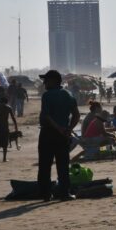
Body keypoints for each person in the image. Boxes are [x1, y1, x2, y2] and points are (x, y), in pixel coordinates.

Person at [37, 70, 80, 202]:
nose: (44, 83)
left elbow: (47, 116)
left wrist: (60, 129)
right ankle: (64, 193)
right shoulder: (68, 94)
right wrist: (68, 129)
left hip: (48, 133)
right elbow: (76, 115)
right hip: (63, 135)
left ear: (54, 81)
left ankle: (45, 194)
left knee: (45, 165)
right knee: (63, 164)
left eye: (46, 80)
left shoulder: (47, 95)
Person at [0, 96, 18, 162]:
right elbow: (13, 118)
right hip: (5, 127)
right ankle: (4, 158)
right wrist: (16, 125)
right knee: (5, 143)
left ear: (0, 101)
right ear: (6, 102)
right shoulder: (8, 108)